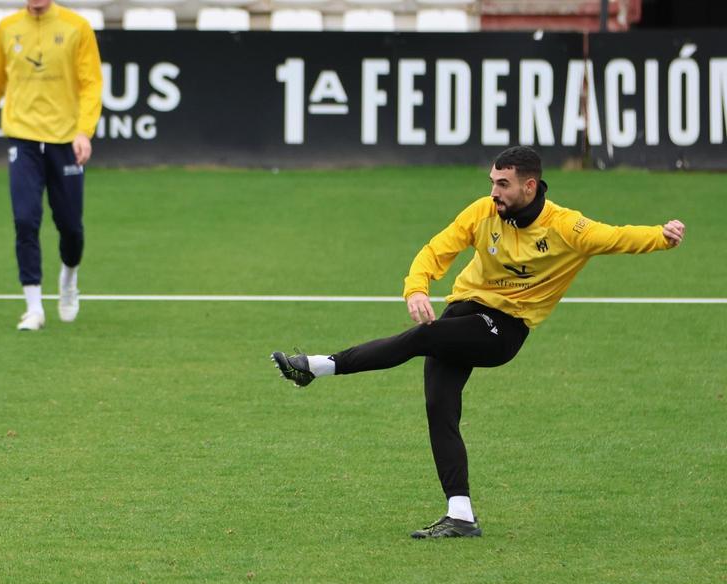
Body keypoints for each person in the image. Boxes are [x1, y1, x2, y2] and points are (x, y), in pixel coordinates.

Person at [271, 146, 686, 539]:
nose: (494, 192)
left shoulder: (565, 226)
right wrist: (417, 288)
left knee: (422, 337)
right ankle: (461, 515)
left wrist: (661, 236)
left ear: (529, 186)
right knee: (439, 407)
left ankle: (316, 366)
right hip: (463, 313)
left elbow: (615, 237)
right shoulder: (483, 211)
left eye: (502, 184)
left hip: (503, 330)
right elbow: (437, 249)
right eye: (492, 181)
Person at [0, 0, 103, 331]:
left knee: (70, 226)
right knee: (25, 219)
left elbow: (91, 83)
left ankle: (69, 278)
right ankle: (33, 307)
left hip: (65, 140)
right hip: (22, 140)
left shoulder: (76, 27)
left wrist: (84, 131)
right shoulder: (7, 28)